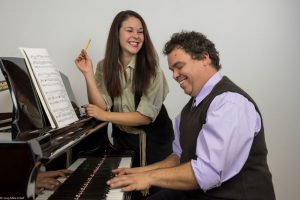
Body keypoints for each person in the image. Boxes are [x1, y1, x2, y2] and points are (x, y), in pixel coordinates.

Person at [106, 31, 276, 200]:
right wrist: (139, 171)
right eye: (172, 70)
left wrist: (149, 178)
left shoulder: (229, 103)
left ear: (204, 58)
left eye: (179, 66)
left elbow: (207, 173)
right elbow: (179, 158)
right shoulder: (189, 109)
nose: (174, 75)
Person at [75, 10, 174, 199]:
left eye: (140, 31)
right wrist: (87, 73)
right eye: (130, 30)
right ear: (117, 34)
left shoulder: (152, 68)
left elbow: (144, 116)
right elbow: (102, 105)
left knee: (155, 195)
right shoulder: (104, 66)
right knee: (126, 193)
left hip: (156, 147)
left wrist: (105, 116)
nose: (136, 36)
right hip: (125, 143)